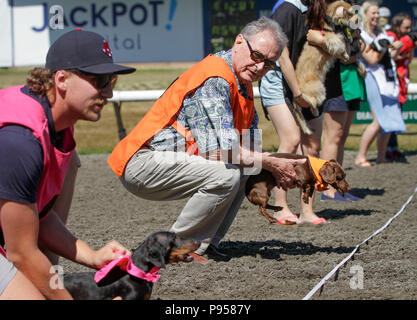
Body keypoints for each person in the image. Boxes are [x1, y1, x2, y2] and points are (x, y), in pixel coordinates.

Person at [107, 17, 307, 263]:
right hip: (141, 163)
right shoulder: (215, 79)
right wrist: (273, 163)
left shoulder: (241, 84)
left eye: (268, 64)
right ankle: (174, 249)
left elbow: (249, 151)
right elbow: (222, 151)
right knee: (228, 173)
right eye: (257, 56)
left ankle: (203, 244)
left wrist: (291, 167)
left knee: (246, 168)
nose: (259, 67)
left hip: (163, 161)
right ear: (239, 42)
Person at [0, 29, 135, 299]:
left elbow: (38, 216)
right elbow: (20, 251)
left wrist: (92, 256)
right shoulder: (20, 140)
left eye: (112, 80)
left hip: (14, 236)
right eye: (99, 80)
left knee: (70, 160)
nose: (108, 92)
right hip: (15, 245)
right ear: (62, 79)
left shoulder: (58, 126)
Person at [259, 0, 335, 223]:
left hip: (307, 83)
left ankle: (307, 210)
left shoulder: (317, 10)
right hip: (279, 84)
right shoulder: (287, 9)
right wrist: (298, 93)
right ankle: (280, 206)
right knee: (291, 140)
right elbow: (282, 56)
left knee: (312, 145)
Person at [320, 0, 367, 202]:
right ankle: (327, 189)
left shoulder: (352, 11)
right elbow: (337, 48)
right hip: (335, 79)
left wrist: (357, 45)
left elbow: (358, 39)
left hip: (350, 79)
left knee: (342, 134)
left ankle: (338, 186)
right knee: (333, 135)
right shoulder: (329, 13)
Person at [354, 1, 406, 167]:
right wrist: (383, 47)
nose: (377, 16)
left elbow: (390, 56)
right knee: (378, 120)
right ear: (365, 14)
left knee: (388, 120)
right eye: (373, 13)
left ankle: (381, 155)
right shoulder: (361, 34)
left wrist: (396, 47)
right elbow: (372, 59)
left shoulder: (380, 32)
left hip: (387, 78)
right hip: (372, 77)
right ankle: (361, 156)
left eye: (378, 13)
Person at [386, 13, 414, 162]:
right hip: (391, 82)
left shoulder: (407, 39)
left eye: (410, 27)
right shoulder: (390, 35)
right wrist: (406, 43)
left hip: (402, 81)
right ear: (397, 26)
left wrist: (409, 46)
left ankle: (393, 147)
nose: (408, 30)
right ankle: (387, 149)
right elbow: (392, 55)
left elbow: (409, 59)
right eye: (406, 27)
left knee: (398, 116)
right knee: (390, 116)